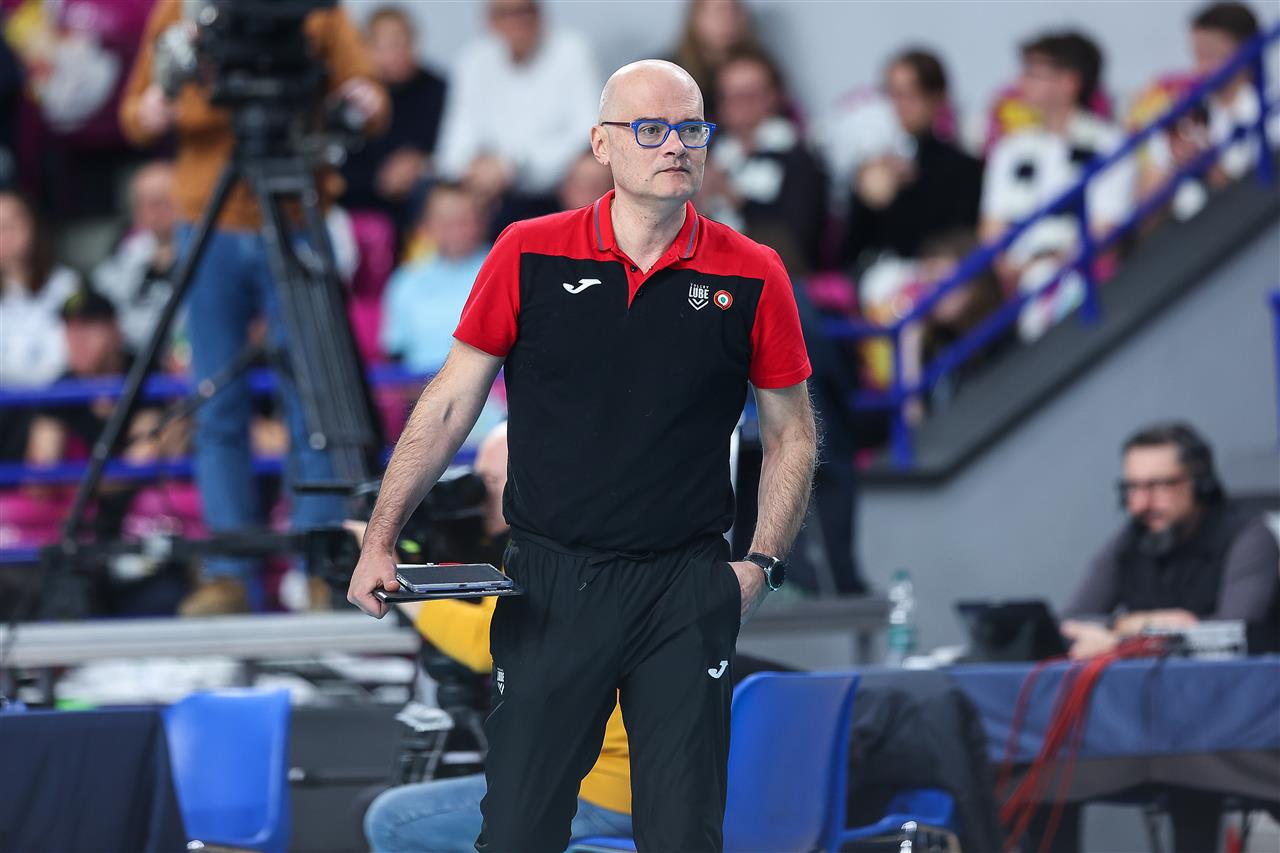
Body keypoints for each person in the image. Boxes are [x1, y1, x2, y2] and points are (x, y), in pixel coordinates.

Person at [349, 59, 816, 851]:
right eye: (651, 128)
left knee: (684, 837)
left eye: (691, 128)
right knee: (518, 832)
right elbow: (452, 401)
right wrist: (380, 537)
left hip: (685, 583)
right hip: (552, 579)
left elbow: (792, 432)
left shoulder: (752, 270)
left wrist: (762, 564)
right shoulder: (528, 250)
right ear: (602, 143)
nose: (676, 145)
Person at [119, 1, 390, 616]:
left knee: (316, 399)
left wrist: (364, 98)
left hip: (296, 206)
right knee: (216, 398)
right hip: (207, 220)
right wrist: (155, 107)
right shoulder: (182, 8)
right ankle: (229, 571)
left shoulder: (315, 11)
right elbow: (134, 115)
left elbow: (371, 98)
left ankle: (322, 565)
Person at [1054, 423, 1278, 853]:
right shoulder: (1130, 541)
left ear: (1201, 483)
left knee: (1190, 780)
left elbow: (1233, 632)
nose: (1141, 503)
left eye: (1157, 486)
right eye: (1132, 488)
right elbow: (1072, 623)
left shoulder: (1249, 536)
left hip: (1241, 729)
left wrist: (1124, 633)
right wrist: (1144, 627)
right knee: (1045, 773)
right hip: (1151, 727)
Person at [979, 32, 1136, 342]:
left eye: (1034, 73)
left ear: (1069, 82)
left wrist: (1050, 263)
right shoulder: (1009, 149)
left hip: (1078, 276)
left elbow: (1105, 228)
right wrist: (1009, 267)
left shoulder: (1108, 143)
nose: (1021, 82)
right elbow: (991, 228)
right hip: (1015, 281)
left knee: (1047, 282)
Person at [434, 0, 599, 233]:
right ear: (490, 21)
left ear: (540, 14)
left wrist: (512, 165)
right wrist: (471, 169)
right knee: (438, 195)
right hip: (488, 185)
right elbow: (457, 137)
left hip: (554, 179)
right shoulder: (474, 59)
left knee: (589, 172)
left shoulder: (571, 50)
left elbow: (588, 131)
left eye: (525, 11)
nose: (518, 21)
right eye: (506, 14)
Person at [839, 50, 983, 277]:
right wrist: (866, 196)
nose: (900, 106)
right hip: (871, 277)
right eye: (893, 94)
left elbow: (950, 242)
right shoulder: (873, 165)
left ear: (936, 97)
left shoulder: (964, 168)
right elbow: (851, 248)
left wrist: (906, 190)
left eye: (910, 95)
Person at [1138, 2, 1278, 222]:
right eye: (1197, 54)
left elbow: (1262, 207)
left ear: (1246, 50)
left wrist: (1207, 167)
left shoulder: (1273, 112)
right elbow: (1144, 218)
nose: (1201, 67)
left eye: (1212, 54)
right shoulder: (1181, 114)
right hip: (1183, 236)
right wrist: (1171, 175)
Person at [700, 47, 829, 273]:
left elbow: (798, 236)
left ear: (773, 96)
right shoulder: (707, 151)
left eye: (750, 95)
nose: (741, 106)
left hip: (775, 274)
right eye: (731, 96)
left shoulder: (797, 156)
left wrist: (737, 198)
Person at [340, 6, 448, 232]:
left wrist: (422, 165)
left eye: (402, 42)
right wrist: (378, 179)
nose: (396, 53)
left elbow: (452, 148)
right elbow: (338, 165)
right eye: (385, 45)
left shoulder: (438, 89)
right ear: (366, 49)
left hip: (419, 200)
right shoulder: (353, 96)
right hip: (362, 204)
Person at [380, 183, 490, 375]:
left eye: (463, 221)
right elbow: (395, 354)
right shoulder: (405, 280)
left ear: (481, 222)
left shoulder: (507, 268)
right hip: (422, 388)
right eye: (445, 222)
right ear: (426, 226)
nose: (456, 230)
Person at [92, 160, 180, 356]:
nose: (152, 210)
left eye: (161, 201)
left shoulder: (209, 260)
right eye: (143, 202)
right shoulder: (116, 268)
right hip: (131, 364)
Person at [0, 189, 79, 388]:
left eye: (10, 225)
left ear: (33, 226)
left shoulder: (67, 285)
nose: (4, 236)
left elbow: (71, 353)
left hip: (55, 394)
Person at [668, 0, 762, 115]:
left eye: (734, 11)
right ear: (697, 18)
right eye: (719, 11)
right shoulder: (671, 72)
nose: (728, 19)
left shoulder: (760, 69)